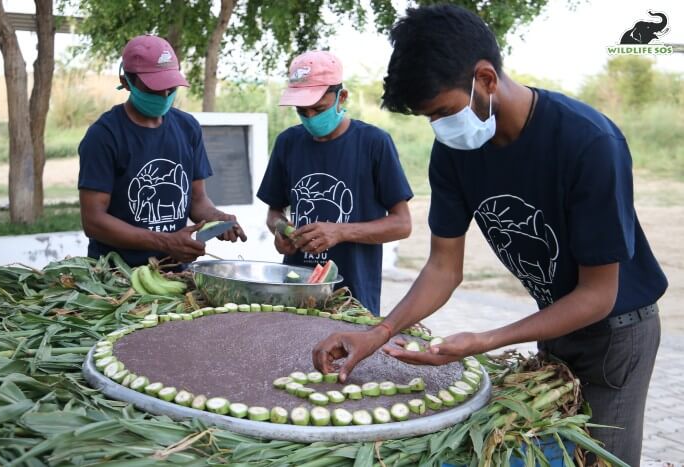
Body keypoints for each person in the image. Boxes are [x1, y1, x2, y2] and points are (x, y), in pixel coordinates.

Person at [312, 5, 667, 465]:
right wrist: (377, 333)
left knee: (601, 459)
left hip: (616, 333)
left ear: (485, 79)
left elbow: (598, 295)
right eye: (429, 119)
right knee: (555, 454)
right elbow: (443, 267)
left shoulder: (588, 143)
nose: (440, 128)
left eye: (442, 112)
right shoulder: (456, 152)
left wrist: (485, 339)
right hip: (557, 321)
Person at [257, 50, 413, 315]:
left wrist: (340, 231)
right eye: (302, 111)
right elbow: (274, 212)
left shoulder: (374, 143)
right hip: (296, 291)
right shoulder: (288, 143)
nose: (311, 118)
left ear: (342, 97)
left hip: (353, 296)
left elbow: (402, 224)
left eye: (319, 109)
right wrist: (280, 231)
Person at [78, 35, 246, 268]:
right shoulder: (104, 136)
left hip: (174, 273)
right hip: (117, 277)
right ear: (126, 82)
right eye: (154, 89)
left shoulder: (188, 128)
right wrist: (165, 242)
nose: (164, 96)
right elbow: (93, 221)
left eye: (170, 88)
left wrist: (216, 218)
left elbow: (197, 201)